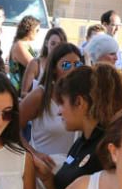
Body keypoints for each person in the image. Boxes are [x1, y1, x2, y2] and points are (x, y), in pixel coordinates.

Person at [21, 44, 83, 175]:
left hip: (71, 176)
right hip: (42, 174)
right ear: (54, 68)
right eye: (66, 65)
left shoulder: (82, 97)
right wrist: (33, 153)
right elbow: (11, 129)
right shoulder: (40, 95)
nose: (73, 70)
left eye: (77, 65)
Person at [20, 26, 67, 96]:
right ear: (46, 44)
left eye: (60, 45)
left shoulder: (66, 65)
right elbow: (23, 93)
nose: (56, 48)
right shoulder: (35, 64)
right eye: (53, 43)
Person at [8, 15, 40, 89]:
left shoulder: (26, 44)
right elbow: (34, 66)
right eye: (37, 30)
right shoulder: (19, 45)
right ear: (29, 30)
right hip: (18, 89)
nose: (38, 33)